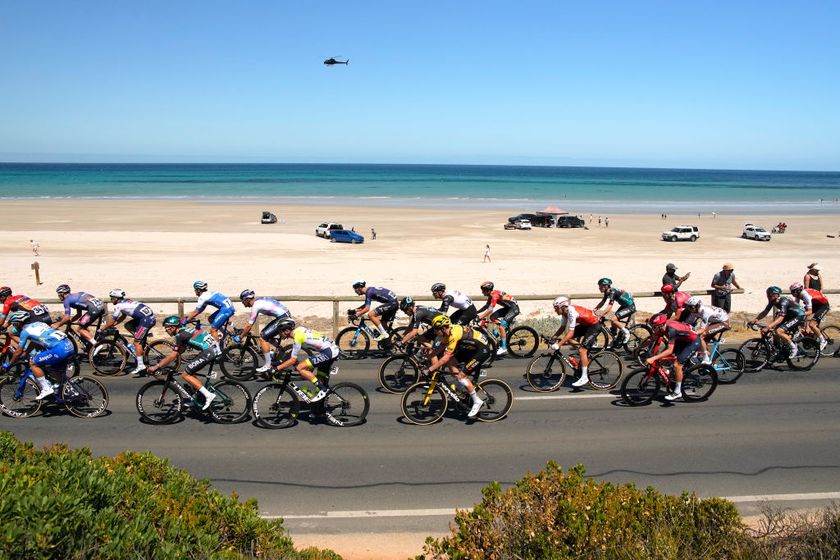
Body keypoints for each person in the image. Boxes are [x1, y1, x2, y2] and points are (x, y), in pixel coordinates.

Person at [147, 316, 220, 410]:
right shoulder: (185, 330)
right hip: (214, 348)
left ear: (173, 327)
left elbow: (173, 355)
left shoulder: (179, 336)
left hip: (208, 351)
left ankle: (208, 395)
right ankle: (199, 397)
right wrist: (168, 360)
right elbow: (181, 349)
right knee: (191, 370)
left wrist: (156, 366)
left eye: (166, 328)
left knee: (185, 374)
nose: (166, 330)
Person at [423, 315, 488, 418]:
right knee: (451, 362)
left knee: (461, 375)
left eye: (436, 329)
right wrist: (427, 358)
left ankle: (477, 401)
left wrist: (430, 369)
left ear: (443, 328)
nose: (435, 332)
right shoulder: (447, 333)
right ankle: (461, 389)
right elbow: (440, 348)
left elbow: (444, 358)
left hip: (481, 350)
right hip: (471, 348)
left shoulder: (453, 335)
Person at [1, 311, 75, 401]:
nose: (14, 326)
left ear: (17, 323)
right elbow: (34, 341)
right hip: (69, 346)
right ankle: (73, 390)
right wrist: (26, 352)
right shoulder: (39, 323)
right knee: (54, 371)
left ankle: (46, 389)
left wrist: (9, 363)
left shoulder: (25, 331)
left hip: (59, 350)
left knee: (33, 362)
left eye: (14, 324)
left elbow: (18, 351)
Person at [265, 318, 340, 403]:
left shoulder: (298, 337)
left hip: (329, 351)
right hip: (329, 349)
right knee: (319, 378)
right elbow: (292, 355)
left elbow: (293, 359)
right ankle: (319, 409)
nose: (279, 334)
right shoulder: (299, 331)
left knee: (300, 368)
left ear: (286, 330)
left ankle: (323, 390)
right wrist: (277, 363)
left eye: (280, 331)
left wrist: (276, 369)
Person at [645, 313, 702, 402]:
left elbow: (669, 350)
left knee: (677, 365)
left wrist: (653, 358)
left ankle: (677, 391)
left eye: (654, 327)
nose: (653, 329)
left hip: (693, 341)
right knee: (666, 357)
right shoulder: (662, 328)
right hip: (682, 340)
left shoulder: (671, 330)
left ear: (661, 325)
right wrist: (638, 349)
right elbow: (651, 339)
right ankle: (673, 374)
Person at [101, 289, 156, 375]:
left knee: (136, 343)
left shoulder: (118, 305)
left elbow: (112, 319)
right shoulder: (126, 301)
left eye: (111, 298)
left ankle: (141, 366)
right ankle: (140, 337)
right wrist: (114, 324)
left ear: (116, 298)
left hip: (145, 320)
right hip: (146, 318)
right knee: (128, 325)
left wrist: (103, 328)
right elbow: (123, 316)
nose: (111, 300)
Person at [548, 297, 600, 388]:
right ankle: (585, 351)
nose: (555, 310)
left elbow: (571, 332)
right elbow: (562, 327)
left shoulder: (571, 312)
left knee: (582, 350)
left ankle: (584, 377)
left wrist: (559, 344)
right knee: (570, 340)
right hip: (586, 325)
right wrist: (553, 337)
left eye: (556, 308)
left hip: (594, 326)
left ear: (563, 307)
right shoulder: (564, 313)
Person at [236, 290, 292, 373]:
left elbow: (249, 325)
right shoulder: (259, 301)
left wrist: (241, 336)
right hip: (284, 315)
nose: (242, 303)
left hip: (282, 318)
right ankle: (280, 351)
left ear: (247, 299)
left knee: (262, 337)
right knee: (265, 334)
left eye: (242, 301)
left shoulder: (256, 306)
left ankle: (268, 365)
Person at [747, 286, 805, 359]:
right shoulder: (772, 301)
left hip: (798, 315)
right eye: (768, 295)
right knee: (774, 332)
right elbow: (765, 312)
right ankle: (781, 349)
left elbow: (781, 318)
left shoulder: (783, 301)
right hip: (789, 315)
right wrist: (755, 320)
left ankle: (794, 348)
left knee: (779, 331)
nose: (769, 297)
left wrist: (768, 327)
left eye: (771, 295)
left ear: (776, 295)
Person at [51, 284, 105, 350]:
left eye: (59, 294)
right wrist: (71, 321)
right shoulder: (76, 296)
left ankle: (96, 345)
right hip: (100, 306)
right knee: (80, 322)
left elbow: (66, 317)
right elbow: (79, 314)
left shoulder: (67, 300)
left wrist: (57, 324)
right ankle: (88, 342)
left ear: (62, 294)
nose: (59, 296)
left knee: (80, 329)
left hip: (94, 309)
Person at [476, 281, 520, 356]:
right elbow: (486, 306)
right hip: (508, 308)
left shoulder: (494, 296)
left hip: (513, 309)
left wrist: (480, 318)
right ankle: (502, 330)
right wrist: (476, 312)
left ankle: (503, 347)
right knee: (492, 317)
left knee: (501, 326)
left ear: (488, 290)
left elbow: (490, 309)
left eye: (483, 290)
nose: (482, 292)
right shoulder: (491, 295)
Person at [683, 296, 730, 364]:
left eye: (691, 307)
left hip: (724, 322)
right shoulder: (694, 310)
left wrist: (694, 332)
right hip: (715, 321)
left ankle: (706, 358)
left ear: (697, 306)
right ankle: (704, 352)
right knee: (701, 337)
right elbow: (688, 322)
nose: (690, 309)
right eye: (688, 306)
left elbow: (703, 329)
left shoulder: (705, 311)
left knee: (701, 336)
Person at [592, 278, 634, 346]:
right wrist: (595, 309)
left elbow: (610, 306)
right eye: (599, 286)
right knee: (613, 321)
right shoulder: (607, 291)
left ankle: (626, 333)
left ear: (606, 286)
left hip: (630, 306)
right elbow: (603, 302)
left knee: (613, 320)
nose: (599, 288)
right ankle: (615, 338)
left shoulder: (612, 292)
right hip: (624, 306)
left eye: (600, 286)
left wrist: (601, 314)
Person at [790, 282, 830, 350]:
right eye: (791, 292)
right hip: (815, 304)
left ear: (798, 291)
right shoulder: (798, 295)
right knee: (801, 317)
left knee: (812, 324)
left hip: (823, 306)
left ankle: (823, 341)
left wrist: (800, 315)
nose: (792, 293)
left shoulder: (806, 296)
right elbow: (796, 306)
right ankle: (809, 334)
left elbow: (810, 311)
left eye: (793, 292)